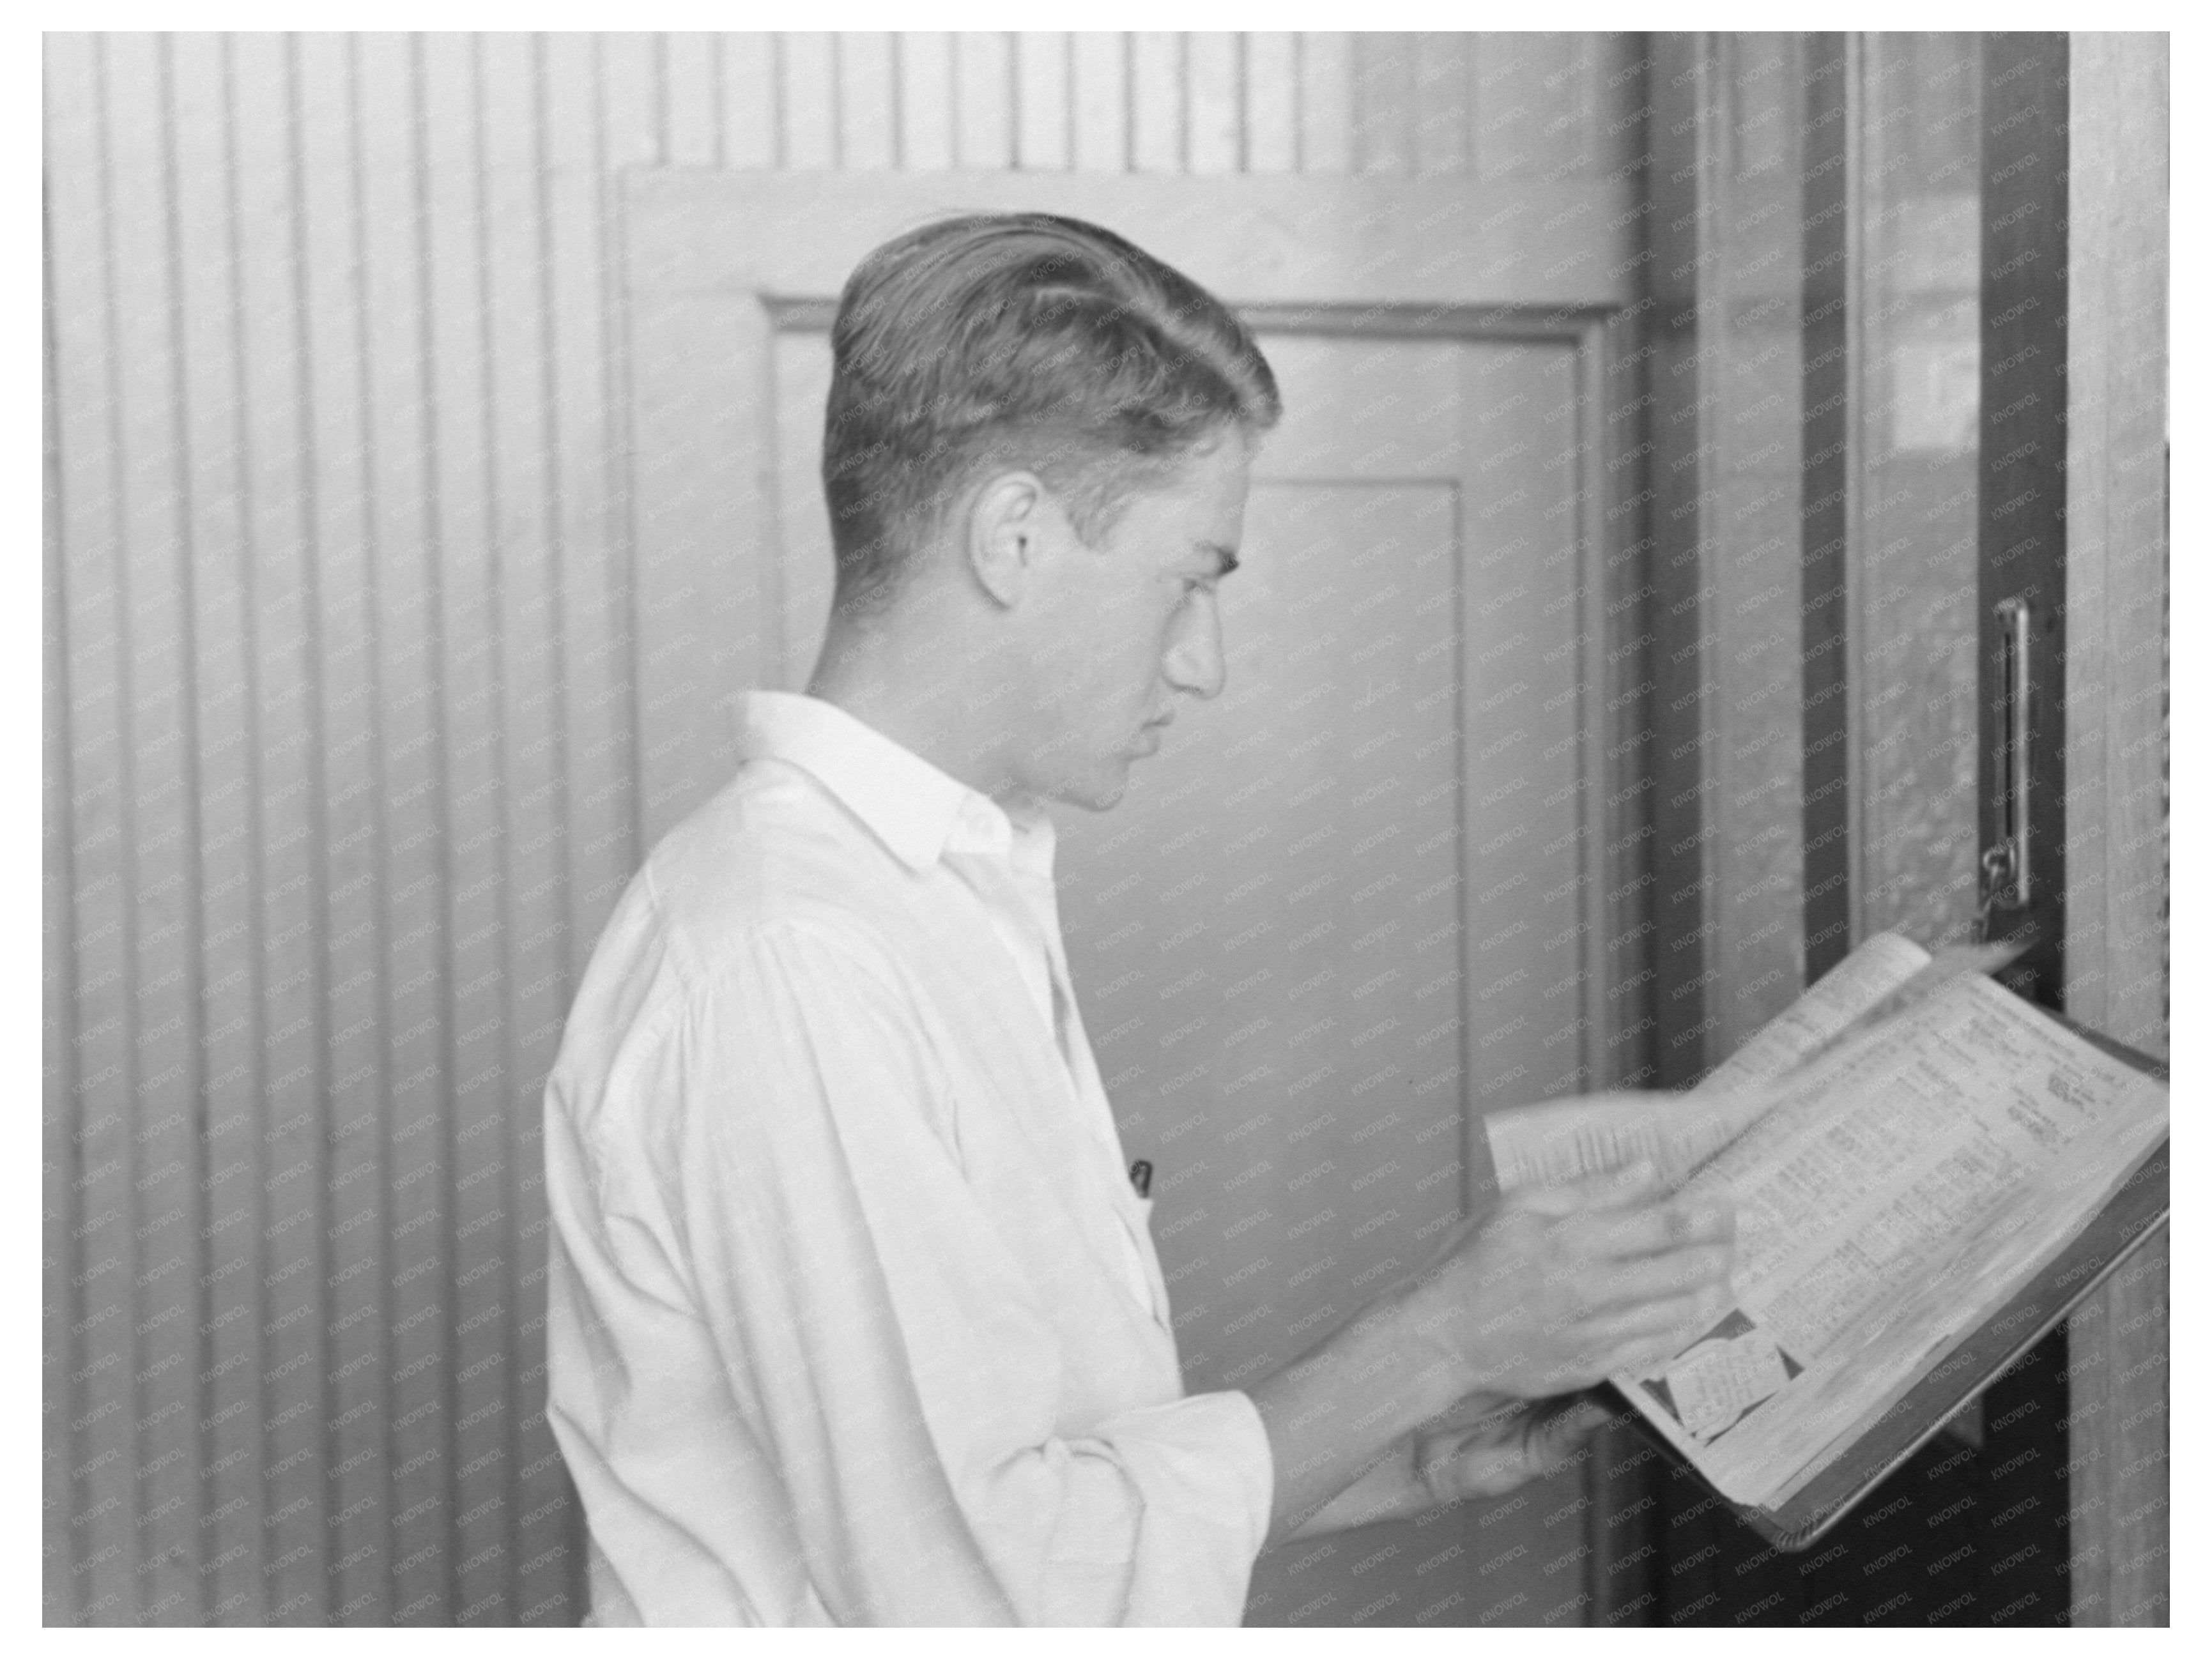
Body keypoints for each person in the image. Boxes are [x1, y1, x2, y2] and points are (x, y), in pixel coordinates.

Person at [541, 211, 1736, 1626]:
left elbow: (1026, 1484)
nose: (1204, 662)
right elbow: (981, 1595)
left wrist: (1403, 1449)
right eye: (1191, 580)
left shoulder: (931, 894)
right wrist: (1437, 1339)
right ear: (1018, 535)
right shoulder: (793, 958)